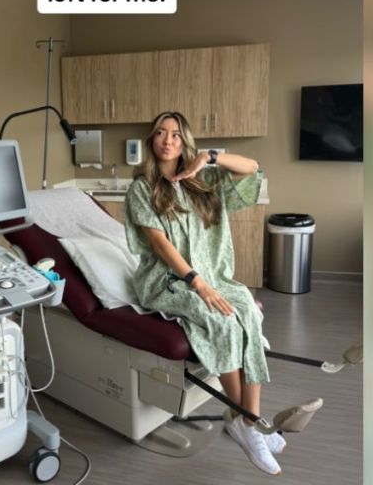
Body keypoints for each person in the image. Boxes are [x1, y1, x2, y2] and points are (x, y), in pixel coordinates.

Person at [124, 111, 283, 476]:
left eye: (176, 135)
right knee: (223, 322)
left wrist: (208, 157)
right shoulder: (141, 189)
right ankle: (249, 425)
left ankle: (248, 423)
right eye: (161, 134)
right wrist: (198, 284)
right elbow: (161, 247)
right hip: (168, 281)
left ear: (185, 142)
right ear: (151, 140)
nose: (168, 140)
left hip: (214, 276)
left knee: (248, 312)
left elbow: (252, 167)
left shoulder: (206, 179)